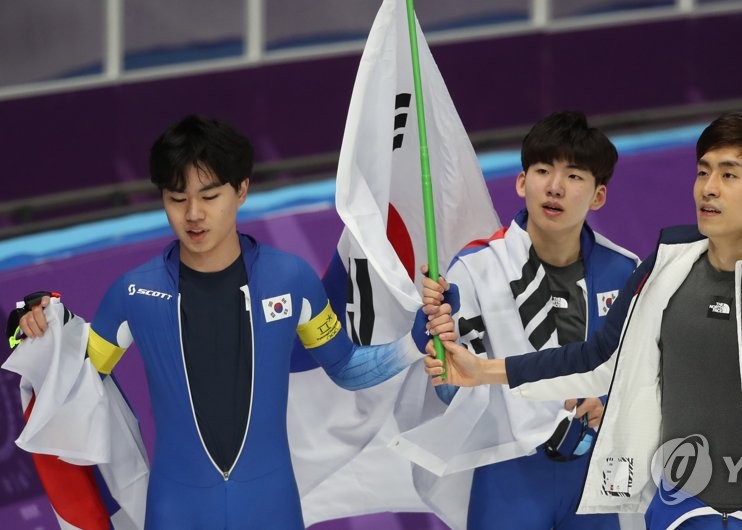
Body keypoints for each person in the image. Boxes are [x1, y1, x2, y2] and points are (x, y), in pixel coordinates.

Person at [422, 113, 742, 529]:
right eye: (703, 171)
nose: (708, 188)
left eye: (729, 175)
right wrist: (483, 372)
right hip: (681, 512)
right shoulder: (664, 268)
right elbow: (599, 358)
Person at [11, 115, 436, 530]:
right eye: (177, 199)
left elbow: (344, 367)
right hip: (177, 511)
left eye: (210, 196)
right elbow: (73, 380)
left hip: (271, 509)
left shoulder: (291, 280)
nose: (193, 213)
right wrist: (33, 327)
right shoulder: (134, 294)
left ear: (241, 190)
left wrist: (411, 344)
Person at [414, 111, 638, 530]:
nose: (555, 187)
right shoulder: (477, 268)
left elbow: (647, 374)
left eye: (574, 176)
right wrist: (431, 328)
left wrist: (607, 404)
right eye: (542, 170)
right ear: (521, 182)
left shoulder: (625, 271)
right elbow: (449, 384)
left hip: (594, 479)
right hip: (509, 479)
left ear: (598, 196)